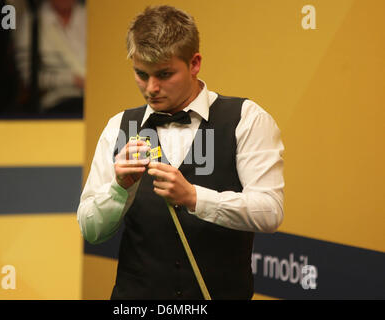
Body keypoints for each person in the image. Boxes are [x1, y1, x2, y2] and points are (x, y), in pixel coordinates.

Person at [77, 5, 284, 300]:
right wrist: (119, 190)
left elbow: (270, 211)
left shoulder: (247, 119)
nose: (151, 88)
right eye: (141, 74)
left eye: (164, 74)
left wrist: (194, 197)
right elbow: (91, 230)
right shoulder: (119, 127)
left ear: (195, 63)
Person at [15, 0, 86, 115]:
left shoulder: (90, 16)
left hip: (96, 98)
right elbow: (28, 77)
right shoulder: (32, 21)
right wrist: (73, 80)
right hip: (56, 102)